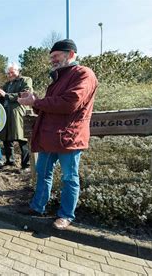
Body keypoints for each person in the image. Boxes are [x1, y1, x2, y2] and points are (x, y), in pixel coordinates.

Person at [18, 39, 98, 230]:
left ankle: (66, 215)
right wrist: (35, 102)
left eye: (56, 56)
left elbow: (70, 103)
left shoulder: (84, 74)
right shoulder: (59, 78)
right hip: (49, 136)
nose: (52, 60)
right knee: (43, 173)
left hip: (69, 138)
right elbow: (50, 106)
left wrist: (37, 103)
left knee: (69, 177)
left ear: (70, 54)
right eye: (51, 57)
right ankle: (38, 207)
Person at [0, 63, 33, 170]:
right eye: (8, 73)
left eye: (12, 72)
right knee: (6, 139)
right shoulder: (7, 84)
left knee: (22, 139)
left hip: (19, 113)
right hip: (5, 113)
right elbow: (2, 98)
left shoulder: (25, 80)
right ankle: (9, 162)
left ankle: (26, 165)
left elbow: (25, 94)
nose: (10, 74)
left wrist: (5, 95)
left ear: (18, 71)